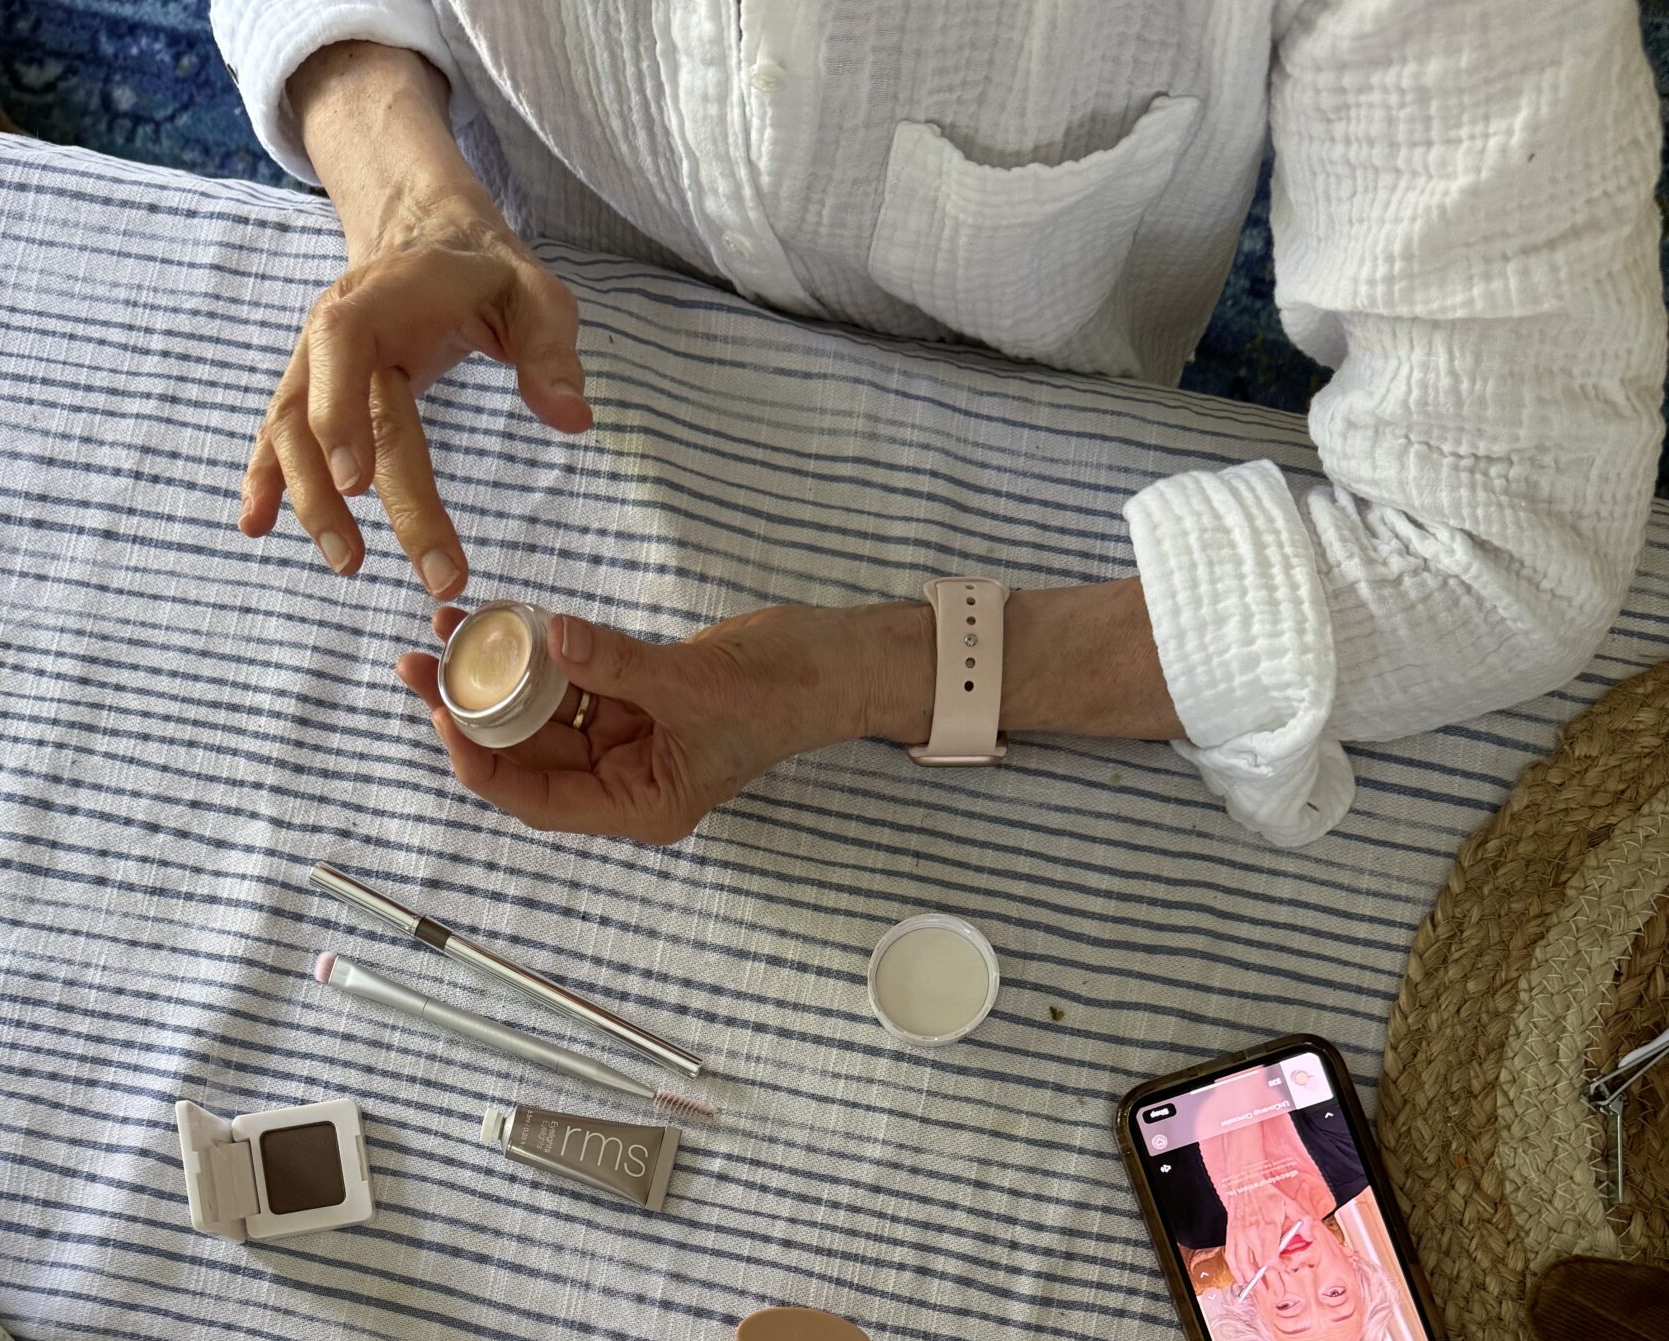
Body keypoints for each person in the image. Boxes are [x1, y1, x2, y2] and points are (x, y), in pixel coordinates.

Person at [212, 3, 1665, 850]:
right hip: (536, 323)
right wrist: (400, 181)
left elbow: (1500, 536)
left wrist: (862, 674)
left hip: (1045, 469)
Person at [1160, 1065, 1397, 1341]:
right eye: (1335, 1293)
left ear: (1250, 1298)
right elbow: (1256, 1063)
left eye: (1287, 1306)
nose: (1303, 1274)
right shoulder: (1352, 1162)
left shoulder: (1191, 1223)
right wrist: (1249, 1182)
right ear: (1353, 1262)